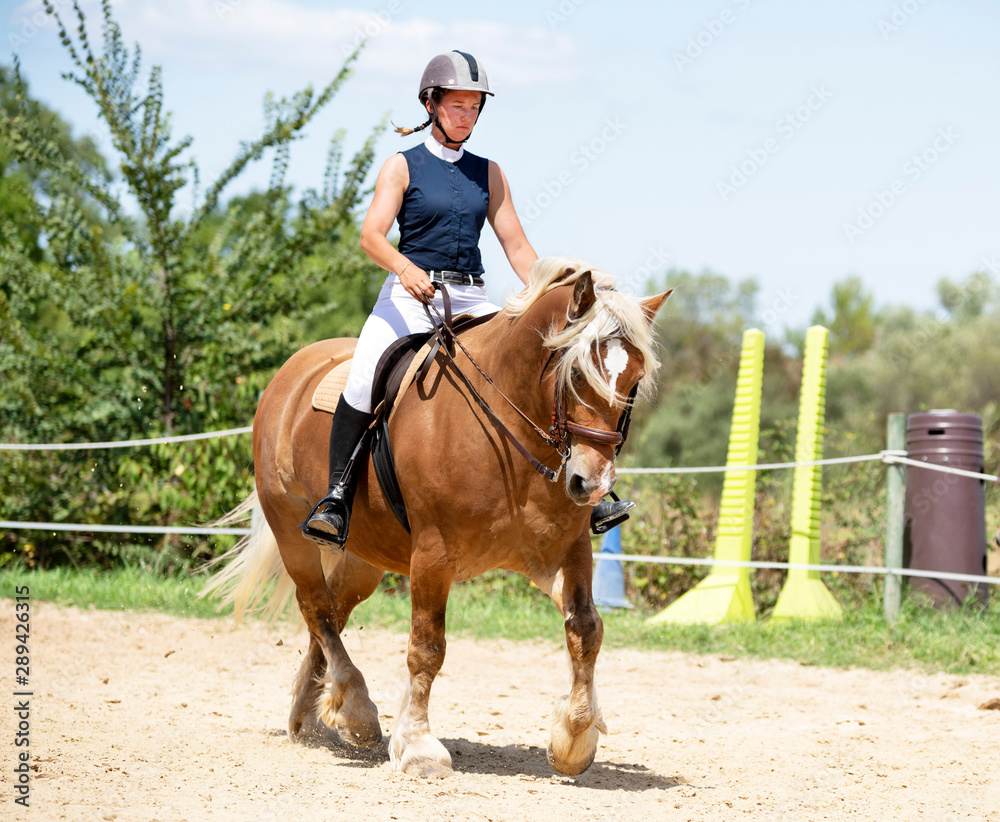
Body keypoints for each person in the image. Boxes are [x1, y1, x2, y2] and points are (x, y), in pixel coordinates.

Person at [301, 50, 634, 548]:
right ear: (431, 104)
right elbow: (371, 236)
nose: (467, 115)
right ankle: (337, 498)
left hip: (471, 297)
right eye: (458, 105)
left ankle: (587, 495)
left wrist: (559, 295)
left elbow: (518, 247)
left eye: (475, 107)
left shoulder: (489, 172)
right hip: (409, 295)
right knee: (366, 373)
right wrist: (406, 269)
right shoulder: (401, 166)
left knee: (542, 365)